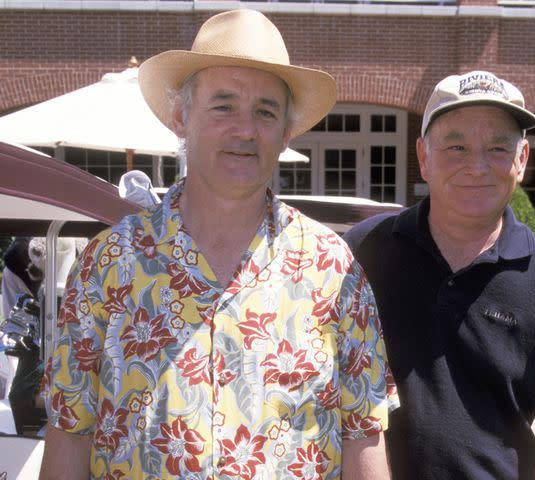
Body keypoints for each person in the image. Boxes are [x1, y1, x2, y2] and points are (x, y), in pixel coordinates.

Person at [39, 9, 398, 479]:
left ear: (285, 131)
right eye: (223, 105)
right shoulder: (108, 264)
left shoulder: (334, 270)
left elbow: (363, 436)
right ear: (181, 116)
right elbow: (70, 431)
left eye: (265, 112)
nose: (245, 130)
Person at [344, 71, 535, 480]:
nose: (477, 166)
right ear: (423, 157)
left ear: (521, 160)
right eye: (456, 146)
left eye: (498, 147)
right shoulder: (361, 254)